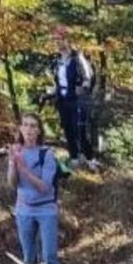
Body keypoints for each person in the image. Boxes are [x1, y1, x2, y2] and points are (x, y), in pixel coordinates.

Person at [6, 114, 63, 264]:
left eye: (33, 126)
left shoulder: (46, 154)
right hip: (24, 209)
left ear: (39, 131)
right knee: (28, 256)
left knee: (49, 255)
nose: (29, 130)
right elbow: (11, 183)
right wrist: (13, 163)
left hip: (46, 209)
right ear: (20, 129)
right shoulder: (17, 152)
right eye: (25, 125)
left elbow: (45, 187)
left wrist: (24, 170)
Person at [49, 26, 98, 171]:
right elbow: (57, 79)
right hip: (62, 99)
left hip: (77, 100)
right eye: (56, 40)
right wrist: (53, 91)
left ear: (68, 41)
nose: (58, 43)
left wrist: (81, 88)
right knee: (68, 129)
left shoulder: (77, 58)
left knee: (79, 130)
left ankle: (90, 159)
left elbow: (87, 77)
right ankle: (74, 158)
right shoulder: (57, 60)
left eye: (60, 39)